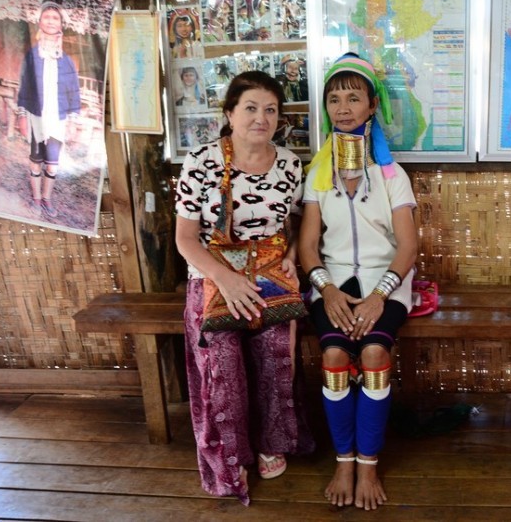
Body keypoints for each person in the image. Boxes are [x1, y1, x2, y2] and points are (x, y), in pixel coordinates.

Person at [175, 70, 315, 506]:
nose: (261, 118)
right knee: (223, 370)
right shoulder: (201, 161)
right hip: (213, 276)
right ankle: (229, 456)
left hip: (269, 275)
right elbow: (184, 239)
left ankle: (273, 441)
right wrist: (226, 278)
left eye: (270, 110)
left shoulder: (291, 165)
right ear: (230, 113)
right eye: (251, 108)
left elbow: (292, 227)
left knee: (277, 359)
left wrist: (291, 259)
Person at [298, 52, 418, 510]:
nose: (343, 107)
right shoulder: (318, 174)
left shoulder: (392, 175)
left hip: (386, 283)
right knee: (332, 356)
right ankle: (343, 461)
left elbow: (407, 248)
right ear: (326, 109)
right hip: (331, 283)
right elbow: (309, 247)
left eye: (354, 97)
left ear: (372, 106)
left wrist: (376, 298)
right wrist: (327, 290)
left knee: (372, 353)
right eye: (334, 98)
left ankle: (367, 463)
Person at [16, 0, 80, 219]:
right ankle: (35, 198)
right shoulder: (32, 57)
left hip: (57, 120)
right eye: (47, 17)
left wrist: (72, 122)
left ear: (61, 24)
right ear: (40, 22)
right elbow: (24, 87)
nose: (51, 21)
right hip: (36, 118)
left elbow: (73, 92)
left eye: (55, 18)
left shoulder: (67, 62)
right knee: (36, 160)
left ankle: (47, 199)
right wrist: (22, 116)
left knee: (52, 166)